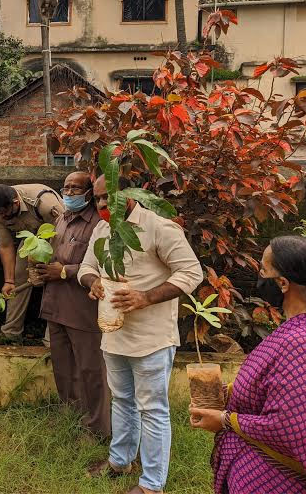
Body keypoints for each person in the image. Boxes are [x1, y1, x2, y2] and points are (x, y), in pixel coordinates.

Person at [79, 174, 203, 494]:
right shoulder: (102, 229)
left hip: (152, 339)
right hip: (114, 333)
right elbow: (85, 268)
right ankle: (120, 462)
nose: (104, 204)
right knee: (122, 401)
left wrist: (145, 298)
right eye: (98, 199)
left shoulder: (158, 227)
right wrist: (92, 281)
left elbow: (191, 273)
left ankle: (151, 485)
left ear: (130, 193)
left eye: (110, 196)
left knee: (152, 410)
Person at [190, 235, 306, 494]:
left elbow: (289, 426)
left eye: (263, 269)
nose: (259, 275)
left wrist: (223, 420)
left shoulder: (299, 343)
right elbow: (278, 390)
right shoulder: (304, 329)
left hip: (273, 481)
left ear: (283, 283)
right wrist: (228, 392)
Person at [35, 171, 110, 441]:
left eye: (75, 189)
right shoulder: (61, 220)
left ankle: (98, 429)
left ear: (89, 193)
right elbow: (53, 256)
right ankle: (72, 419)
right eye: (65, 187)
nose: (68, 193)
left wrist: (64, 271)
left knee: (91, 371)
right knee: (63, 369)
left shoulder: (98, 224)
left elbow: (103, 266)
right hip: (55, 305)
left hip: (82, 309)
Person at [0, 183, 64, 345]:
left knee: (53, 282)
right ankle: (11, 333)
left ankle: (52, 339)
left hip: (59, 237)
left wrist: (49, 267)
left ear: (16, 203)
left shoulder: (44, 202)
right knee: (19, 276)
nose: (3, 217)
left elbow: (63, 234)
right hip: (32, 238)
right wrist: (9, 281)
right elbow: (6, 246)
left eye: (5, 213)